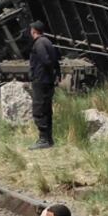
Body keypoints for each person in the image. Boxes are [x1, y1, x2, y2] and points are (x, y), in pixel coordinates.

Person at [29, 22, 60, 150]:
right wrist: (56, 73)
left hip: (41, 80)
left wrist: (42, 73)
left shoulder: (39, 43)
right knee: (47, 110)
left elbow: (46, 60)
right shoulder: (47, 42)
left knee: (39, 110)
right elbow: (55, 60)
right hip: (47, 80)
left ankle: (43, 139)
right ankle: (49, 139)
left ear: (34, 31)